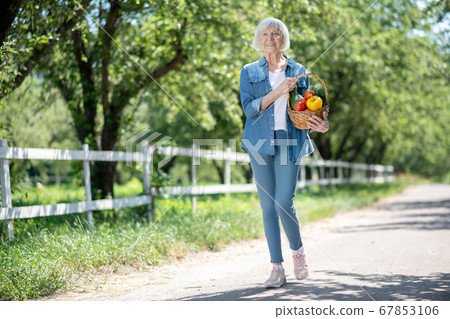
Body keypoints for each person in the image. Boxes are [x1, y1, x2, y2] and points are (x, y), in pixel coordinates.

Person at [240, 18, 329, 288]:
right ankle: (276, 268)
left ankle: (298, 252)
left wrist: (321, 124)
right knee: (267, 206)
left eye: (275, 34)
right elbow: (250, 109)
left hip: (290, 139)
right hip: (258, 142)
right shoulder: (248, 71)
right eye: (265, 34)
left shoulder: (299, 70)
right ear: (258, 39)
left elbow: (307, 109)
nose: (270, 38)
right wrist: (278, 90)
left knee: (283, 202)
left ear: (283, 38)